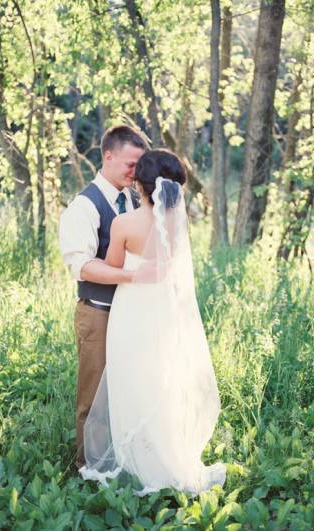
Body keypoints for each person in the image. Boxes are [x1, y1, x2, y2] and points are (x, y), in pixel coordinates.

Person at [80, 149, 226, 495]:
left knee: (130, 379)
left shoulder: (123, 224)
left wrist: (126, 265)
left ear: (140, 187)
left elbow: (114, 268)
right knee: (161, 380)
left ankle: (136, 460)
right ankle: (166, 454)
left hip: (132, 310)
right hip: (164, 311)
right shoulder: (177, 221)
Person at [59, 125, 149, 469]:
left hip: (133, 315)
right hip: (98, 313)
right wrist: (131, 276)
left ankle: (124, 459)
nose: (135, 172)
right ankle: (88, 468)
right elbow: (81, 266)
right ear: (107, 157)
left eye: (140, 165)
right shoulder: (84, 206)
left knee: (128, 391)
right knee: (93, 395)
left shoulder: (134, 199)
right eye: (130, 164)